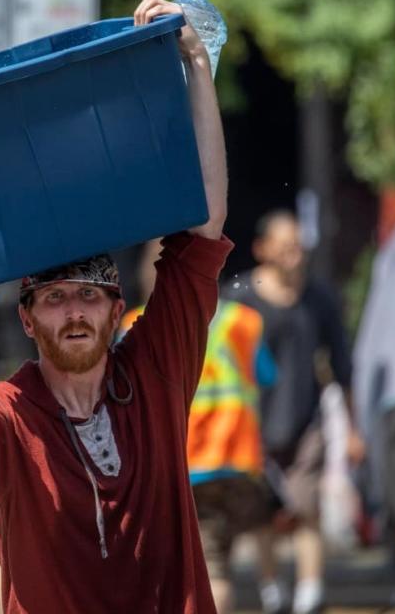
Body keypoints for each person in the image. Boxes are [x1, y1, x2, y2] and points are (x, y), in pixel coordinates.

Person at [0, 0, 231, 614]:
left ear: (118, 312)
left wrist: (194, 61)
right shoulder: (9, 414)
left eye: (90, 296)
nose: (75, 312)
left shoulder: (156, 374)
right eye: (56, 299)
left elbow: (202, 226)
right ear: (29, 318)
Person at [120, 238, 278, 614]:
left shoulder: (132, 325)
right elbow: (267, 378)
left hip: (185, 468)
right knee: (247, 534)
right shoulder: (244, 320)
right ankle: (278, 590)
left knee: (209, 567)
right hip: (240, 462)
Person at [227, 210, 363, 614]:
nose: (293, 253)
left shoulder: (319, 297)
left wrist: (353, 429)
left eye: (298, 245)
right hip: (254, 422)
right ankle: (272, 590)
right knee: (262, 513)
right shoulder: (238, 297)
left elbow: (341, 364)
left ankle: (309, 593)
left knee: (306, 506)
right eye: (284, 245)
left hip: (307, 419)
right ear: (262, 248)